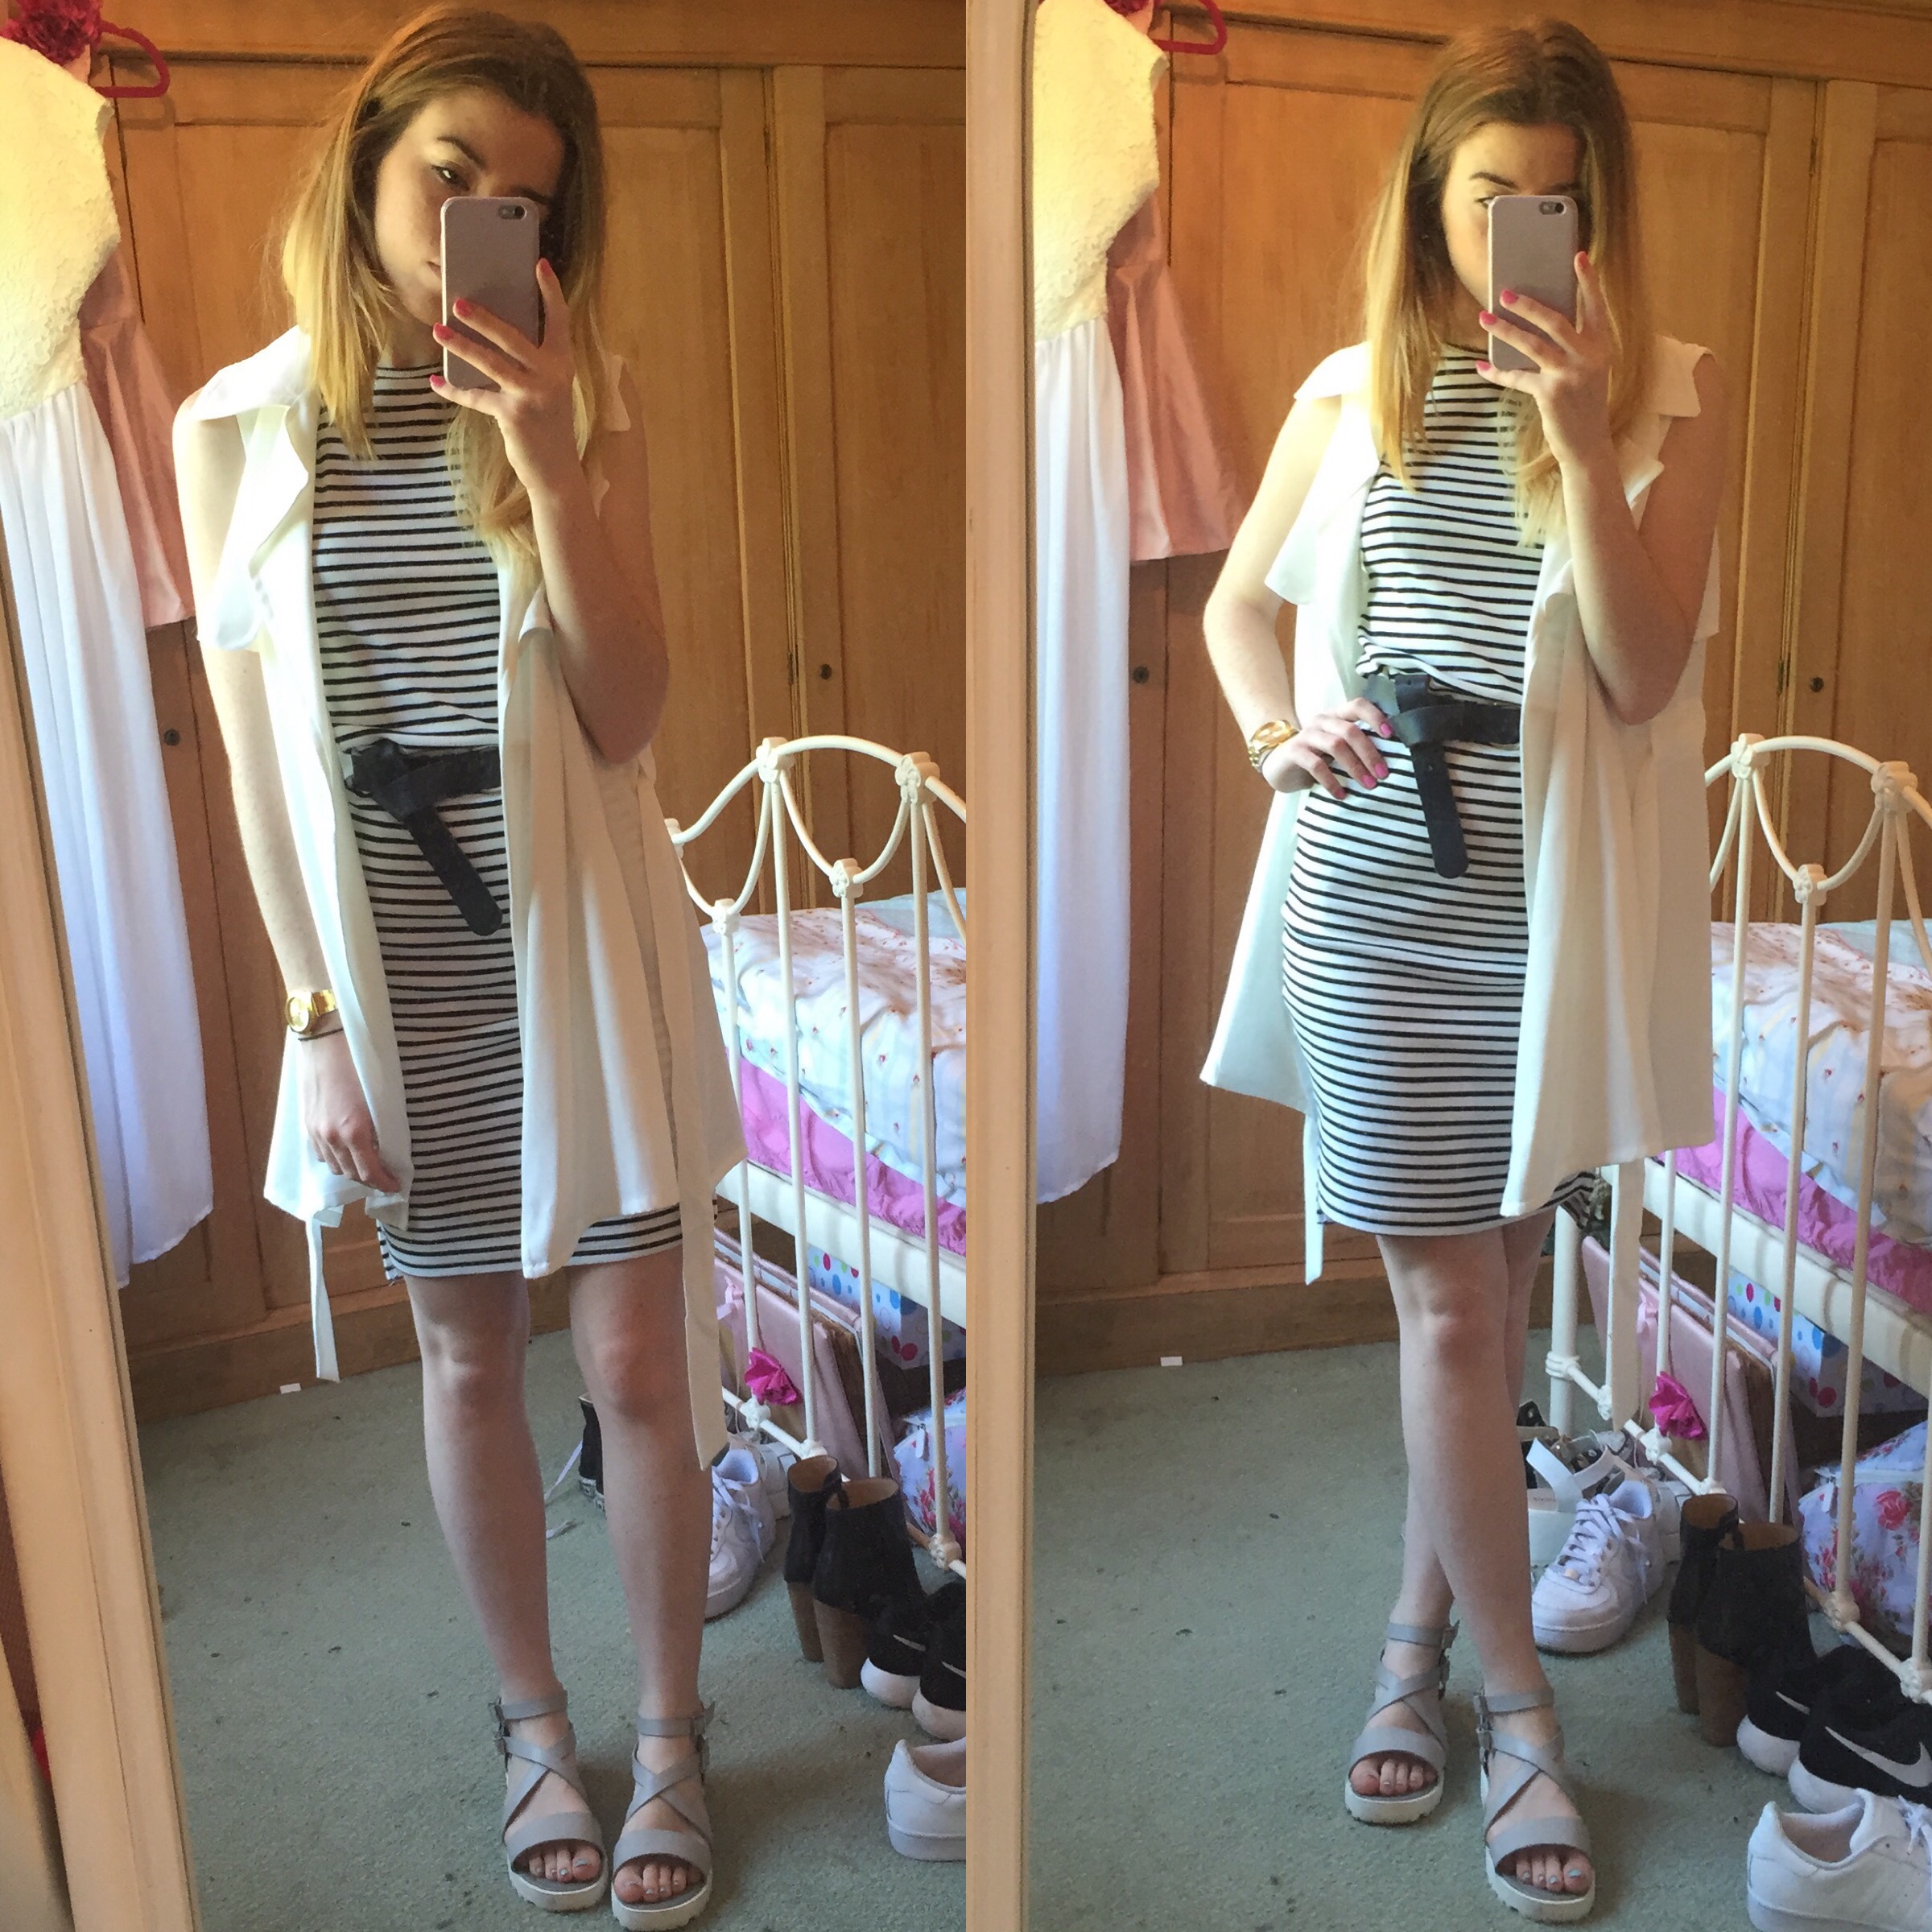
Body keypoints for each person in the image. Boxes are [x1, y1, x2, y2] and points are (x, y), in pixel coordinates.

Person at [172, 10, 742, 1925]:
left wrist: (555, 464)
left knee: (639, 1356)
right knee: (465, 1350)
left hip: (582, 928)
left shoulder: (584, 396)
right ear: (366, 163)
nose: (476, 222)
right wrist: (311, 1023)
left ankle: (670, 1733)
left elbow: (628, 712)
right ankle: (533, 1725)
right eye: (449, 175)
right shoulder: (234, 430)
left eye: (524, 203)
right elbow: (259, 777)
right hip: (394, 974)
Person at [1200, 19, 1724, 1922]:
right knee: (1446, 1303)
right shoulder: (1353, 392)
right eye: (1485, 194)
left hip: (1552, 909)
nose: (1516, 230)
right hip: (1371, 893)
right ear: (1429, 200)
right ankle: (1519, 1720)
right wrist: (1279, 732)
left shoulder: (1670, 393)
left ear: (1597, 217)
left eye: (1551, 203)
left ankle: (1417, 1630)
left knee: (1496, 1291)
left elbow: (1647, 672)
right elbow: (1235, 607)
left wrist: (1581, 436)